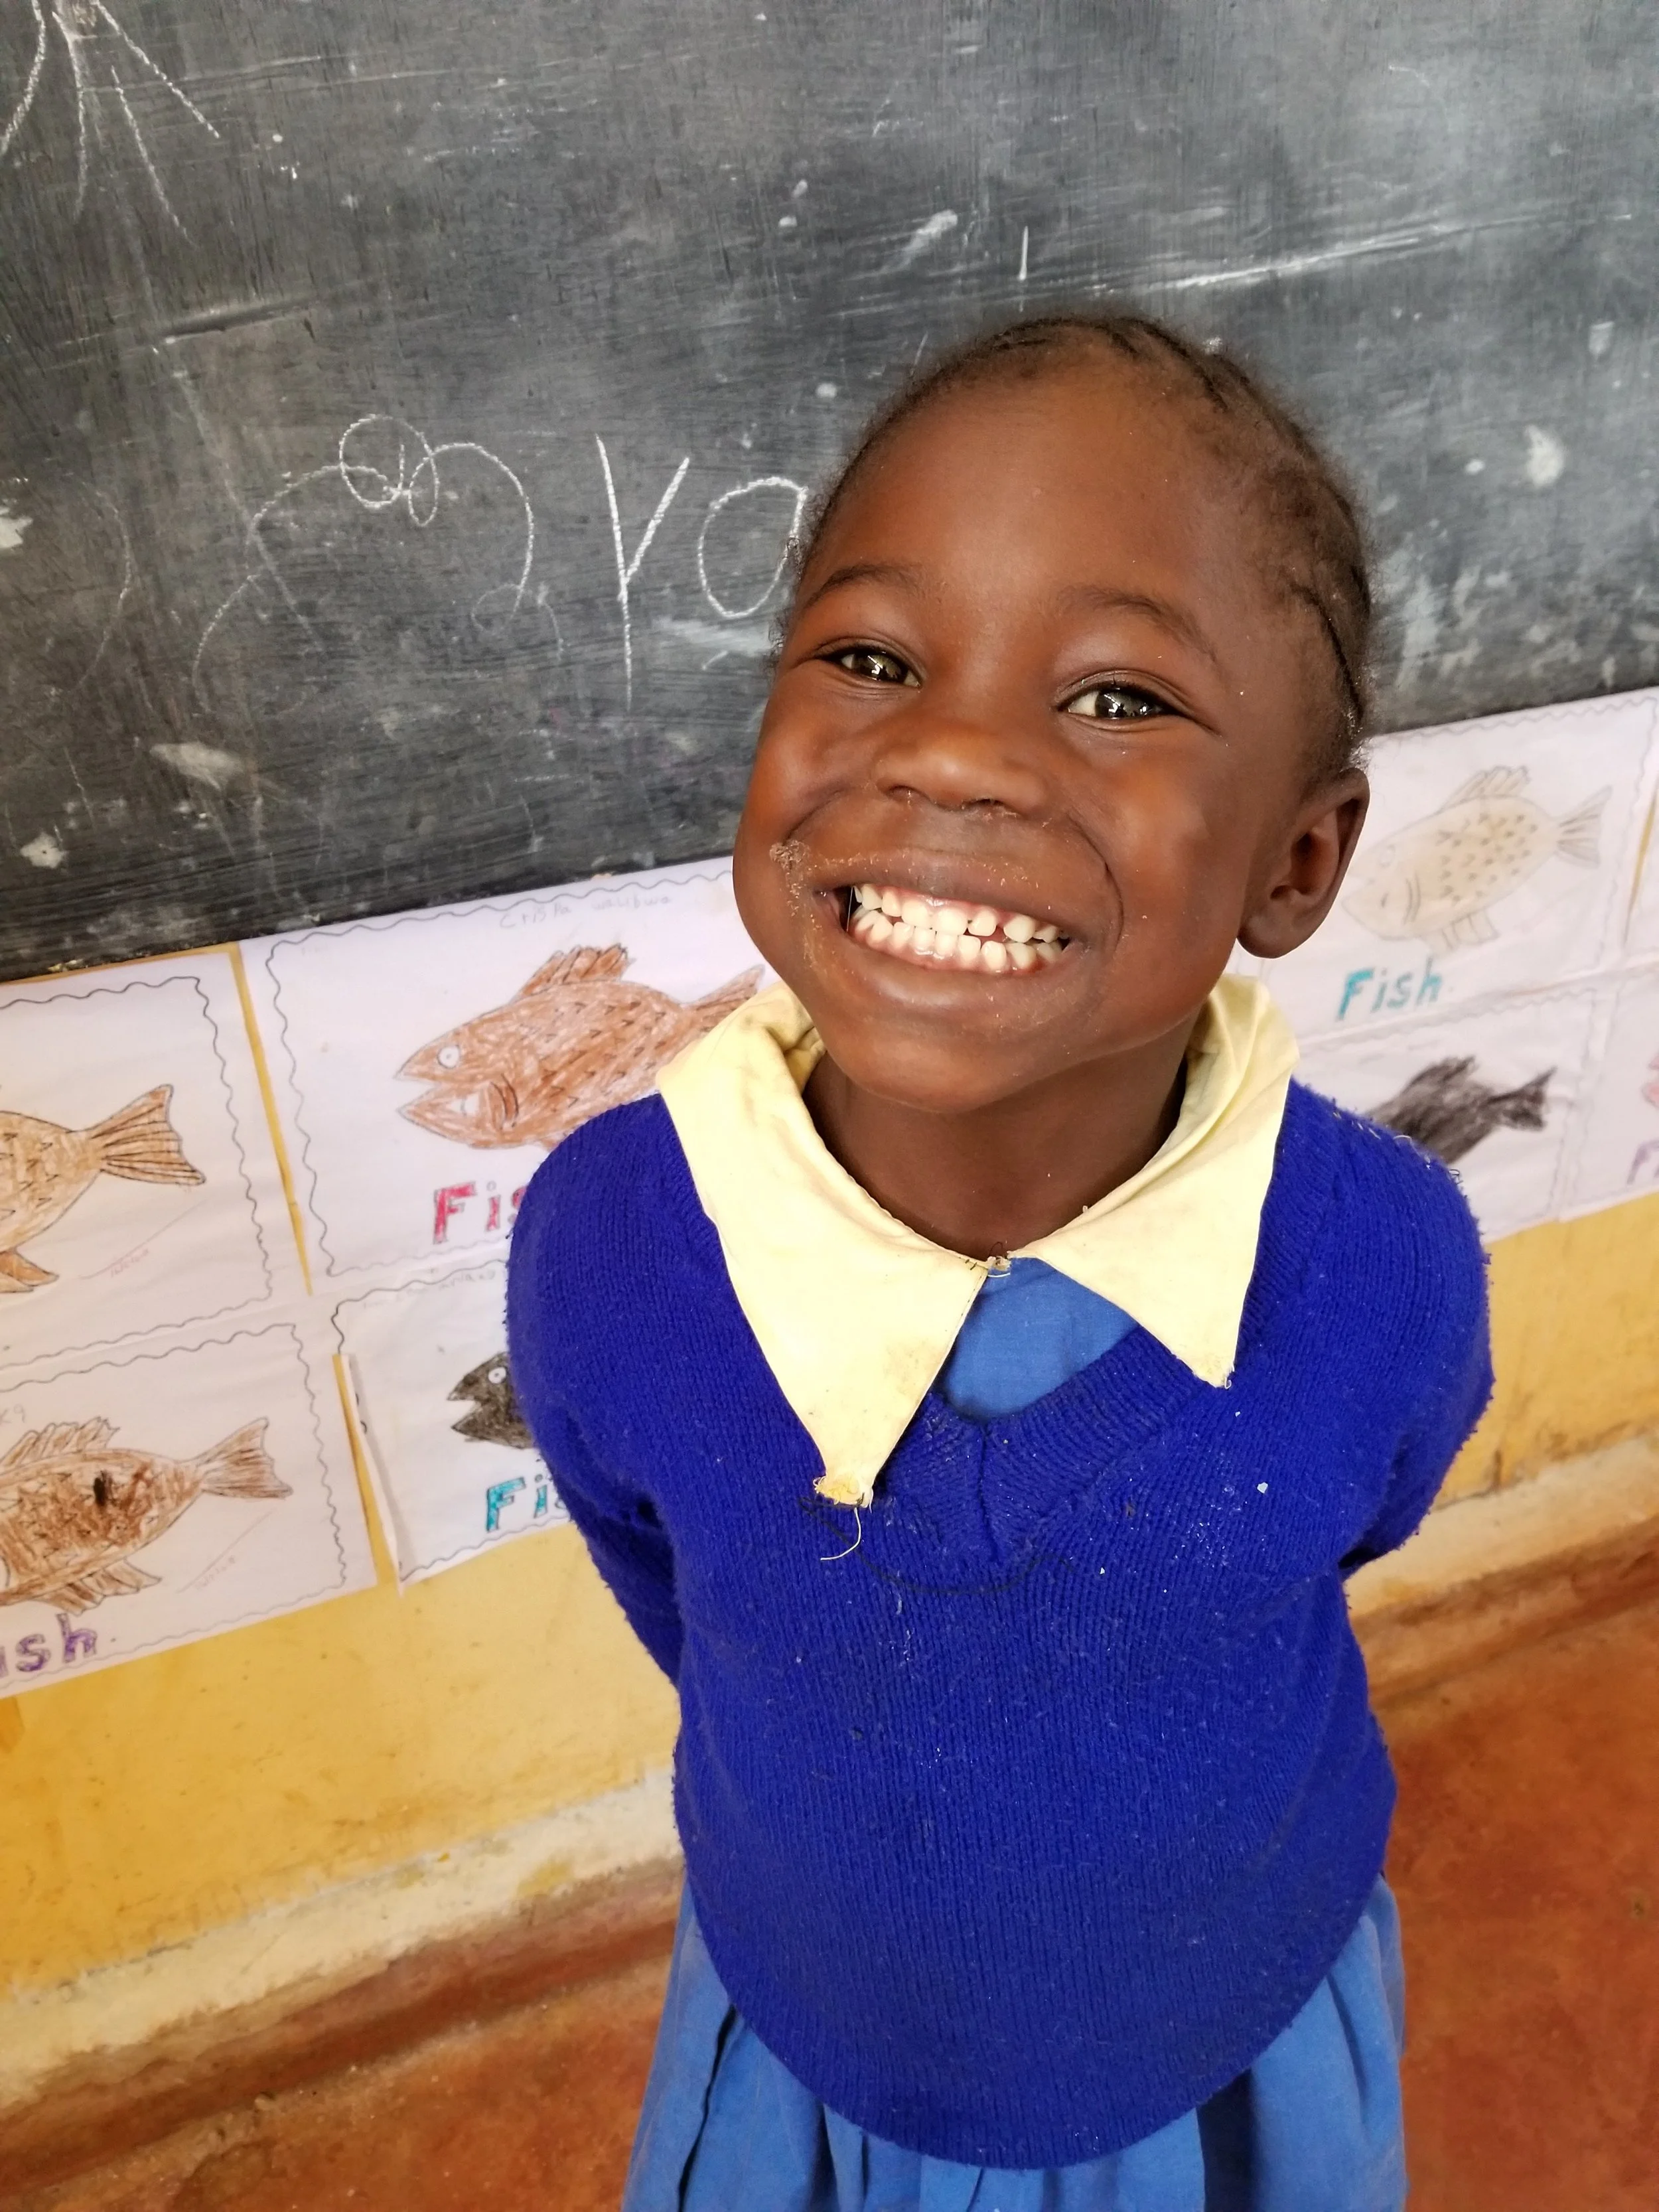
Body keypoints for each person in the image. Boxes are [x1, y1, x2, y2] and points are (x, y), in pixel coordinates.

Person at [506, 313, 1492, 2212]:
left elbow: (1358, 1510)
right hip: (817, 2047)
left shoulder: (1377, 1256)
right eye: (870, 657)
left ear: (1295, 859)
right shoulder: (615, 1239)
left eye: (1116, 697)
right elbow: (673, 1583)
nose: (948, 748)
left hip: (1224, 2047)